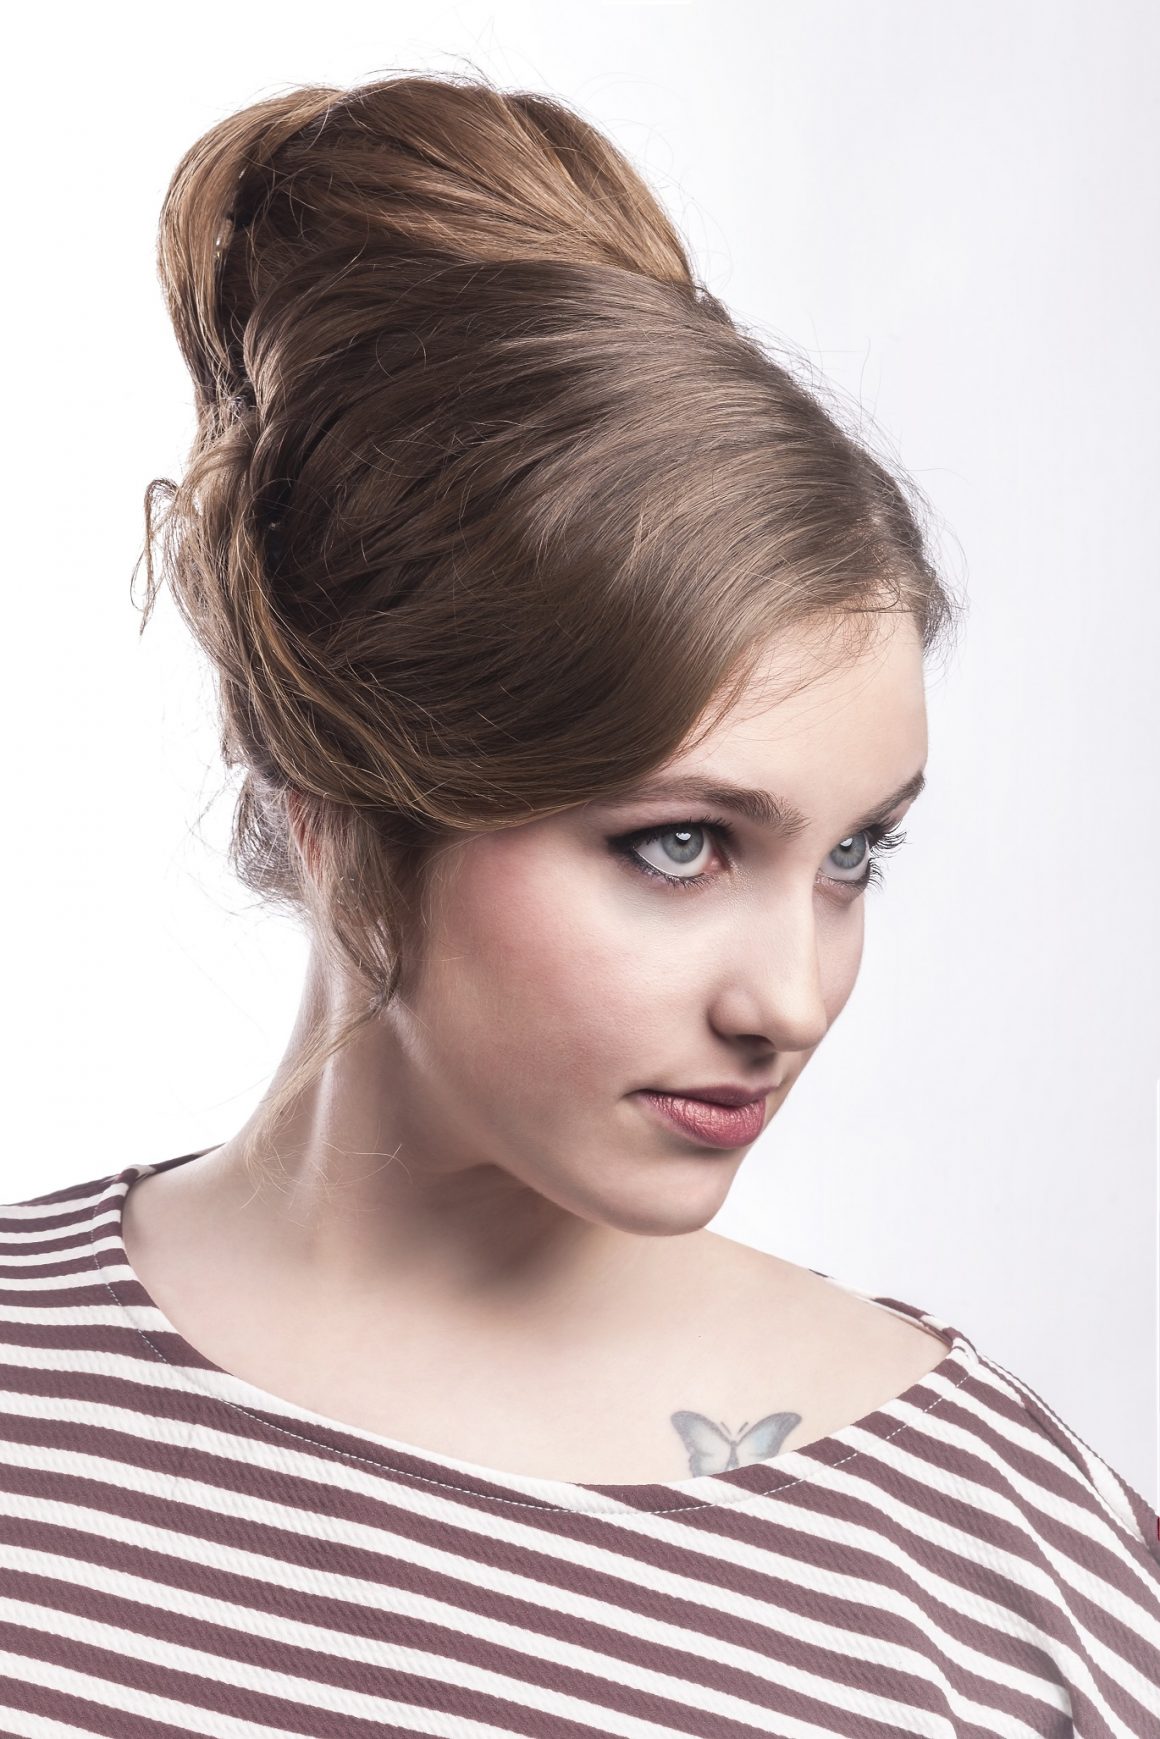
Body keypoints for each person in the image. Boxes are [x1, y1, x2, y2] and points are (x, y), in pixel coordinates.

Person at [1, 70, 1156, 1739]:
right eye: (681, 846)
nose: (793, 999)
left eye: (853, 857)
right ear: (338, 803)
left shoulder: (997, 1563)